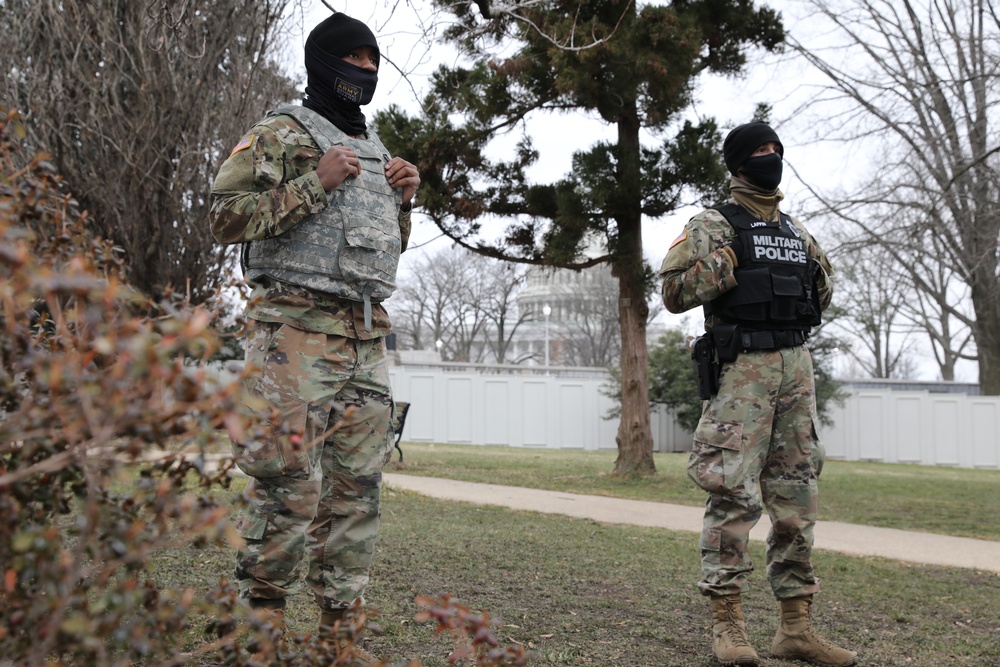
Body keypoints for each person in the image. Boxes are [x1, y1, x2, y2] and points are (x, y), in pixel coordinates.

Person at [209, 11, 419, 664]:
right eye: (353, 59)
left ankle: (339, 642)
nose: (366, 70)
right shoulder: (280, 132)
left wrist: (404, 200)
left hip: (363, 337)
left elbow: (381, 254)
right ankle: (259, 639)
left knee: (358, 494)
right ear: (323, 63)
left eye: (373, 60)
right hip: (291, 335)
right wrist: (314, 181)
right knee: (285, 487)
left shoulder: (380, 150)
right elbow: (222, 216)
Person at [658, 121, 857, 667]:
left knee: (797, 498)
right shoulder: (711, 224)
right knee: (732, 495)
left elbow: (823, 290)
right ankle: (728, 624)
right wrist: (730, 263)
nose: (770, 158)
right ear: (739, 162)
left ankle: (795, 628)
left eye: (776, 149)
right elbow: (673, 291)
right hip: (741, 372)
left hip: (796, 369)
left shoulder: (796, 230)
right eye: (759, 151)